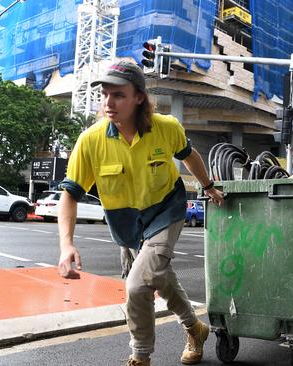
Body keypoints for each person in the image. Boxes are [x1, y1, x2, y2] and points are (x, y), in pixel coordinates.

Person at [57, 61, 224, 366]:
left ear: (138, 98)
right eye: (105, 94)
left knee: (137, 285)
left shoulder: (167, 128)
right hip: (127, 227)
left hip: (165, 211)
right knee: (158, 279)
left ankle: (140, 356)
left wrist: (209, 186)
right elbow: (69, 194)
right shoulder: (90, 141)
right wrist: (66, 244)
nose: (108, 102)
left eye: (118, 95)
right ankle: (194, 328)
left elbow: (189, 156)